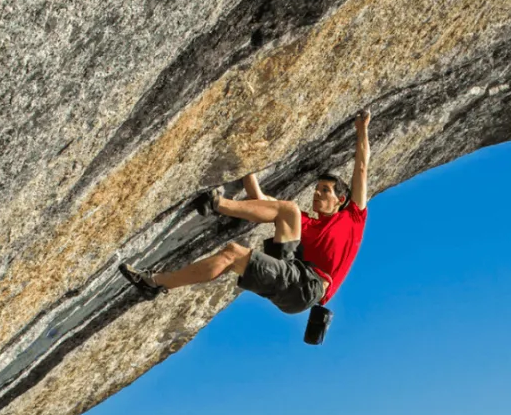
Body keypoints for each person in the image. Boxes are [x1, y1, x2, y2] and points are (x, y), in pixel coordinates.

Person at [120, 109, 371, 322]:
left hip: (307, 289)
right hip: (292, 270)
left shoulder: (353, 217)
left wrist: (362, 129)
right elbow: (259, 200)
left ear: (341, 200)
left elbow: (361, 167)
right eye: (316, 190)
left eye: (324, 191)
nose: (317, 195)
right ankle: (214, 206)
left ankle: (156, 281)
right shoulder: (307, 222)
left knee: (233, 252)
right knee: (287, 211)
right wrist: (245, 162)